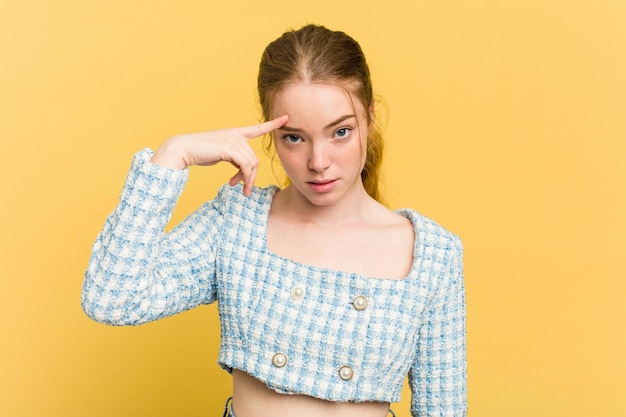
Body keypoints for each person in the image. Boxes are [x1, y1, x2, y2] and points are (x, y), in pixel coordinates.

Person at [82, 24, 467, 417]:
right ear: (269, 133)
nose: (318, 162)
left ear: (369, 118)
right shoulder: (237, 221)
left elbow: (444, 409)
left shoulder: (432, 253)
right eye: (294, 138)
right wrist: (171, 155)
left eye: (341, 132)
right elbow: (112, 300)